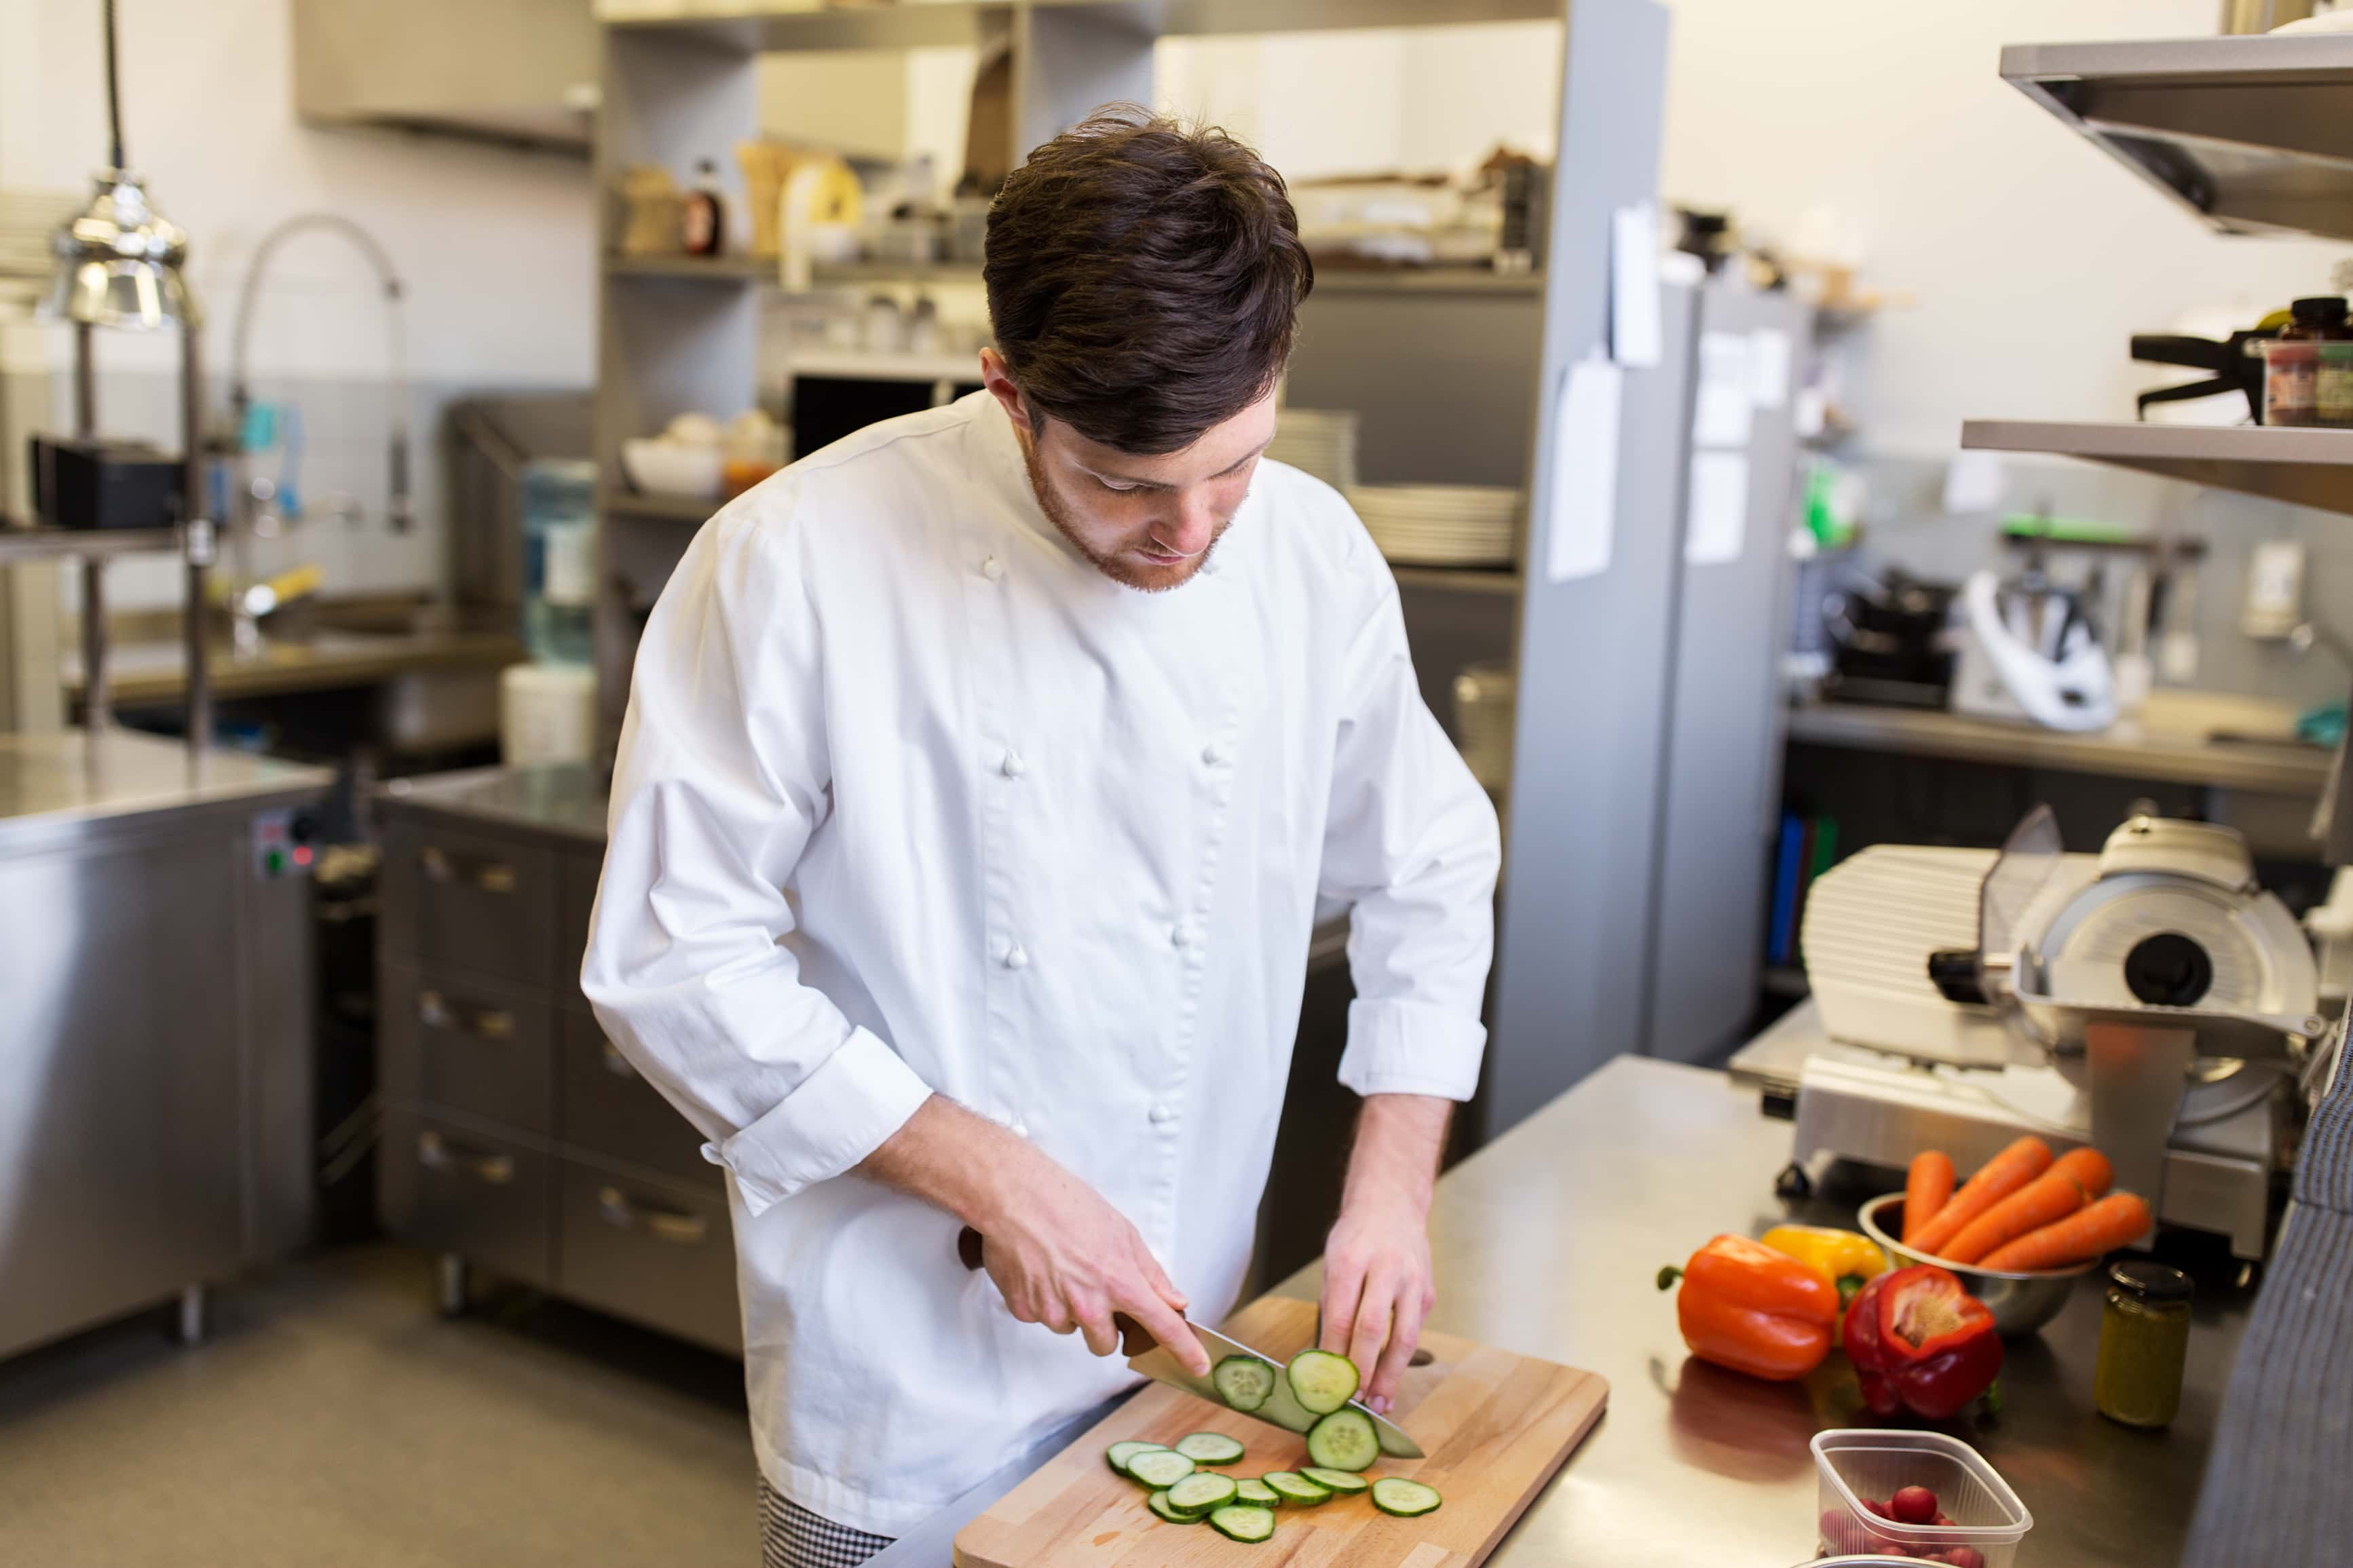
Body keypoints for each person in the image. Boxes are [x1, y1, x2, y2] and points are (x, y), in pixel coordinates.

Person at [583, 107, 1501, 1568]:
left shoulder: (1313, 555)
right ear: (1008, 393)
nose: (1191, 532)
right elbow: (671, 962)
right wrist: (991, 1176)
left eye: (1234, 466)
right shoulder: (794, 559)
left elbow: (1428, 862)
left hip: (1190, 1348)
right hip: (899, 1385)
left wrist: (1386, 1192)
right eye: (1128, 484)